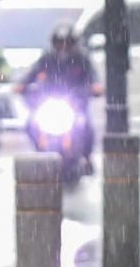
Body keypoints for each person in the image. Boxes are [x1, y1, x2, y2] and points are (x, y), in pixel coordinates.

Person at [15, 18, 96, 161]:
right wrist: (22, 86)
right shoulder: (47, 58)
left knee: (85, 125)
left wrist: (93, 89)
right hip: (49, 103)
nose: (63, 47)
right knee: (31, 124)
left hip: (75, 105)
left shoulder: (82, 58)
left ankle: (87, 157)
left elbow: (94, 80)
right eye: (59, 43)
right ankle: (40, 149)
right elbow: (30, 76)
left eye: (67, 43)